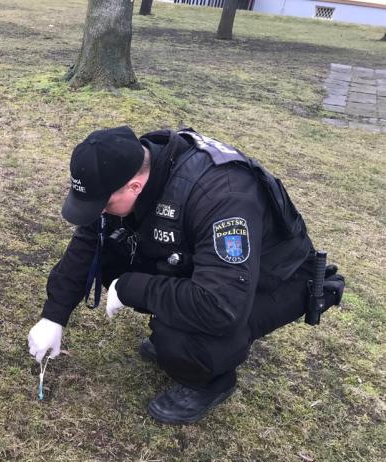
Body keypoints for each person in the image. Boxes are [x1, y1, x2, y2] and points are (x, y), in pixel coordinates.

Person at [27, 126, 345, 424]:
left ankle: (210, 381)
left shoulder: (223, 196)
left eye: (104, 203)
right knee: (114, 246)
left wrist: (131, 288)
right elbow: (90, 240)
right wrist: (53, 316)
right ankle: (177, 331)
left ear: (134, 186)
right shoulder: (136, 168)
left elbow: (221, 305)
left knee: (180, 337)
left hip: (273, 279)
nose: (99, 212)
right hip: (214, 270)